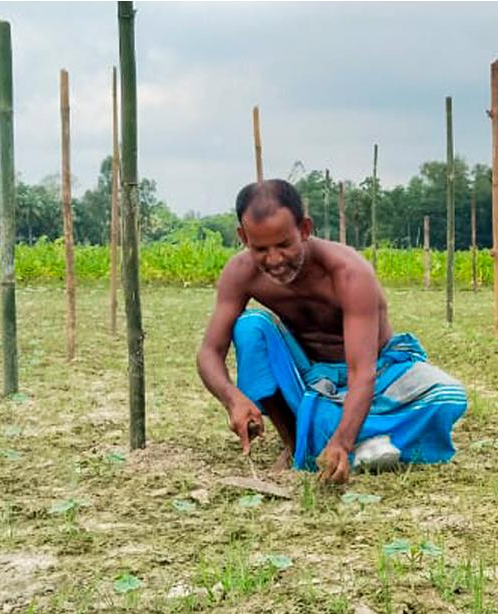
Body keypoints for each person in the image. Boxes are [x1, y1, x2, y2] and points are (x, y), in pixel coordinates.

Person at [195, 179, 467, 484]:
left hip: (377, 374)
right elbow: (209, 352)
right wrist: (232, 398)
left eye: (284, 244)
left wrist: (342, 441)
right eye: (260, 248)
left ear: (305, 229)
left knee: (448, 396)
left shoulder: (349, 272)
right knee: (249, 327)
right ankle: (296, 441)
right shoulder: (240, 272)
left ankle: (338, 439)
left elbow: (361, 372)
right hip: (310, 377)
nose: (274, 259)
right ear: (243, 237)